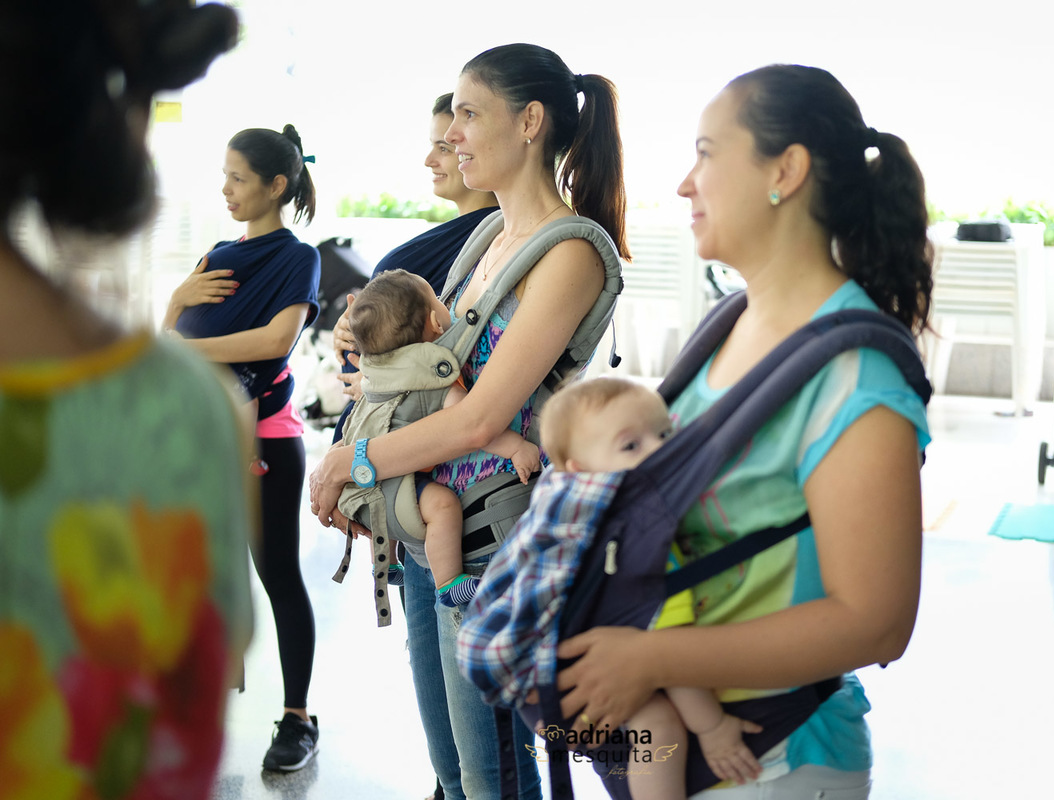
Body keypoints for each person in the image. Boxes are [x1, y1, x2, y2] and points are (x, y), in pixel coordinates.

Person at [551, 65, 932, 799]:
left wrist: (650, 661)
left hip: (776, 759)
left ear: (784, 171)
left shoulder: (857, 376)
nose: (684, 184)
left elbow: (877, 623)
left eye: (705, 153)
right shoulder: (728, 324)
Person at [309, 42, 629, 800]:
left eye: (468, 114)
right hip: (430, 529)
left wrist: (351, 463)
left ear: (530, 122)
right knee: (453, 773)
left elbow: (481, 418)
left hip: (491, 547)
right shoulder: (486, 237)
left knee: (495, 778)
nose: (451, 134)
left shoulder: (573, 253)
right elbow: (436, 372)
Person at [0, 3, 252, 799]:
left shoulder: (273, 266)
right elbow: (175, 736)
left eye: (238, 178)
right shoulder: (181, 409)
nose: (227, 190)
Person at [163, 125, 322, 770]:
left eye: (238, 178)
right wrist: (175, 300)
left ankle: (297, 719)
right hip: (200, 436)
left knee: (277, 574)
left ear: (276, 185)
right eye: (224, 177)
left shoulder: (298, 258)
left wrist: (189, 347)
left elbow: (274, 342)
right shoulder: (218, 253)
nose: (225, 190)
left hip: (266, 441)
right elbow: (165, 342)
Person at [539, 377, 764, 798]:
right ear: (580, 471)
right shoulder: (638, 544)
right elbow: (668, 653)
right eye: (630, 445)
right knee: (659, 725)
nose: (659, 451)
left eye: (664, 434)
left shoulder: (562, 510)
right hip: (575, 680)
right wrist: (713, 728)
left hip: (553, 671)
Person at [339, 269, 541, 606]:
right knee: (443, 506)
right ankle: (449, 583)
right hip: (393, 493)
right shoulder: (430, 377)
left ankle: (385, 564)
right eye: (438, 299)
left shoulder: (376, 373)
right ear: (435, 321)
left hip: (364, 492)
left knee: (387, 498)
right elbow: (470, 424)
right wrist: (516, 447)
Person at [330, 92, 500, 444]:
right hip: (368, 424)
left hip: (397, 429)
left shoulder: (495, 242)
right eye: (433, 145)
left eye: (444, 148)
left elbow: (455, 349)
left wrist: (380, 382)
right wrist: (349, 329)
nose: (428, 160)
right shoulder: (454, 235)